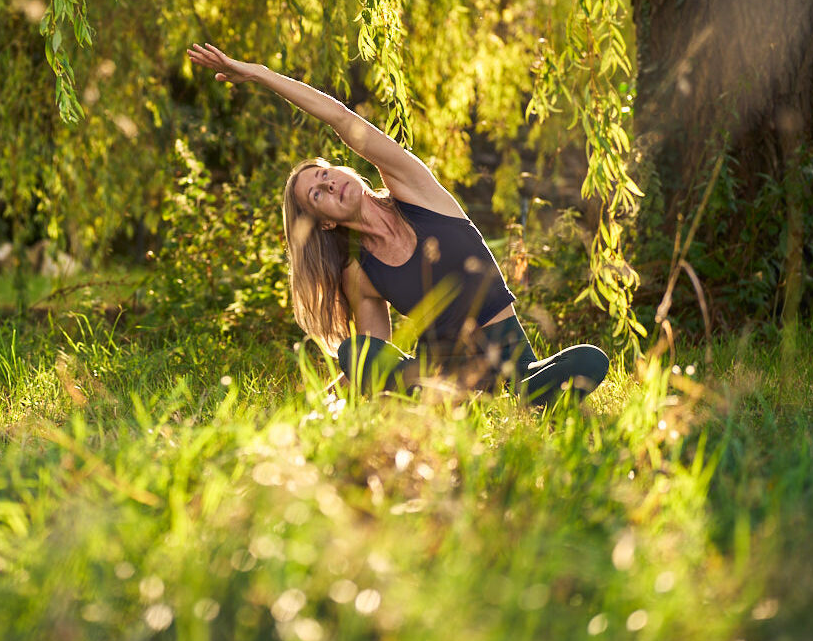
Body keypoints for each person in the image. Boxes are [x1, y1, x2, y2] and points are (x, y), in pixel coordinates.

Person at [186, 42, 608, 407]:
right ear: (326, 224)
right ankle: (489, 402)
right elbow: (376, 361)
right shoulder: (360, 273)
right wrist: (319, 407)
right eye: (317, 195)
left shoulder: (418, 193)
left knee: (589, 360)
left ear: (346, 170)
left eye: (325, 173)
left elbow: (340, 118)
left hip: (511, 361)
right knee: (356, 352)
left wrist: (260, 75)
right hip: (437, 373)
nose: (329, 183)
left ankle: (493, 399)